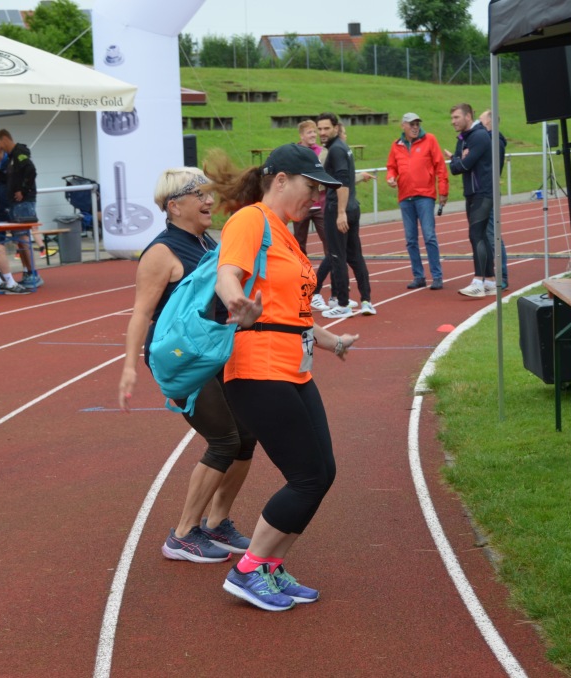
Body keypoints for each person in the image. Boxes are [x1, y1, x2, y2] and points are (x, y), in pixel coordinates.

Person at [206, 142, 359, 612]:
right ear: (280, 180)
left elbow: (291, 313)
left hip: (293, 368)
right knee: (306, 476)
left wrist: (332, 342)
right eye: (310, 187)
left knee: (323, 473)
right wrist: (236, 301)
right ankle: (248, 569)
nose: (316, 197)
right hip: (258, 368)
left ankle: (270, 566)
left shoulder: (285, 232)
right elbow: (227, 274)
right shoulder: (250, 220)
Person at [118, 167, 257, 564]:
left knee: (247, 436)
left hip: (212, 352)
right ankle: (182, 535)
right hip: (181, 361)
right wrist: (129, 367)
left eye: (209, 193)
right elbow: (140, 313)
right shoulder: (161, 253)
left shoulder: (206, 242)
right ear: (175, 206)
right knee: (224, 440)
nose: (209, 200)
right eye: (200, 194)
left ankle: (217, 522)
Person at [314, 112, 375, 317]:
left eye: (326, 128)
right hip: (352, 207)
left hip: (338, 209)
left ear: (336, 128)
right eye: (319, 129)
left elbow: (342, 182)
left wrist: (340, 213)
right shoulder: (342, 147)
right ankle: (366, 301)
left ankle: (342, 304)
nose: (322, 132)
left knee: (336, 256)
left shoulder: (336, 150)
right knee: (355, 256)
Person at [386, 112, 449, 291]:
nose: (415, 127)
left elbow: (440, 166)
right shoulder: (396, 145)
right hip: (405, 197)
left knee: (429, 236)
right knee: (411, 239)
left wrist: (443, 190)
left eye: (417, 124)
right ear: (403, 126)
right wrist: (390, 177)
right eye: (411, 124)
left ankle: (437, 276)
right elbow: (391, 167)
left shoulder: (430, 140)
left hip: (425, 195)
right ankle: (418, 276)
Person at [446, 103, 496, 298]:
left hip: (482, 192)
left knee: (476, 235)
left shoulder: (479, 136)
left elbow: (463, 166)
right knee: (481, 236)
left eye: (456, 117)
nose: (453, 122)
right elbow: (456, 167)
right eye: (452, 118)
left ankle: (478, 281)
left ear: (468, 117)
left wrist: (458, 160)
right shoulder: (464, 138)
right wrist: (458, 159)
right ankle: (490, 281)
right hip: (473, 192)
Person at [0, 129, 44, 288]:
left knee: (23, 238)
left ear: (5, 139)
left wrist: (23, 190)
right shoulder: (11, 158)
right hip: (15, 203)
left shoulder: (19, 154)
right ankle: (28, 273)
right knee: (20, 240)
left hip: (24, 202)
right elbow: (7, 180)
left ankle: (33, 273)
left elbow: (31, 170)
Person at [479, 110, 509, 289]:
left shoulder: (495, 141)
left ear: (489, 122)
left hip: (489, 192)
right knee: (484, 235)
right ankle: (489, 275)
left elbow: (491, 167)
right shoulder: (488, 140)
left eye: (481, 121)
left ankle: (502, 276)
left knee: (492, 235)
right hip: (483, 191)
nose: (477, 124)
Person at [290, 120, 327, 256]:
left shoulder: (323, 152)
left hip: (320, 205)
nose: (313, 135)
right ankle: (300, 269)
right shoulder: (294, 152)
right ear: (302, 136)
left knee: (329, 241)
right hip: (301, 205)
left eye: (314, 132)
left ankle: (333, 268)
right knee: (299, 245)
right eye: (309, 132)